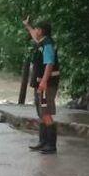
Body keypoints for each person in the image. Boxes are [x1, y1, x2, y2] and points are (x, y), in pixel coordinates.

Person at [23, 17, 59, 154]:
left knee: (45, 112)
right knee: (40, 111)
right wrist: (28, 26)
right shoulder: (42, 42)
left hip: (47, 83)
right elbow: (34, 35)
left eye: (37, 29)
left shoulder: (48, 44)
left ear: (42, 31)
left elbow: (49, 64)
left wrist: (44, 81)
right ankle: (43, 141)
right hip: (40, 82)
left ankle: (51, 145)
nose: (35, 31)